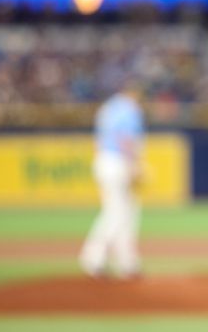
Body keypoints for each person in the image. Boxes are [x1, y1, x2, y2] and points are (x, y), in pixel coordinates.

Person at [79, 79, 146, 280]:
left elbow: (98, 139)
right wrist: (134, 164)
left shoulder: (107, 109)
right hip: (119, 162)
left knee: (127, 210)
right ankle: (93, 258)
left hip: (104, 161)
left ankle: (127, 262)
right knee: (117, 212)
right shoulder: (130, 109)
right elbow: (125, 138)